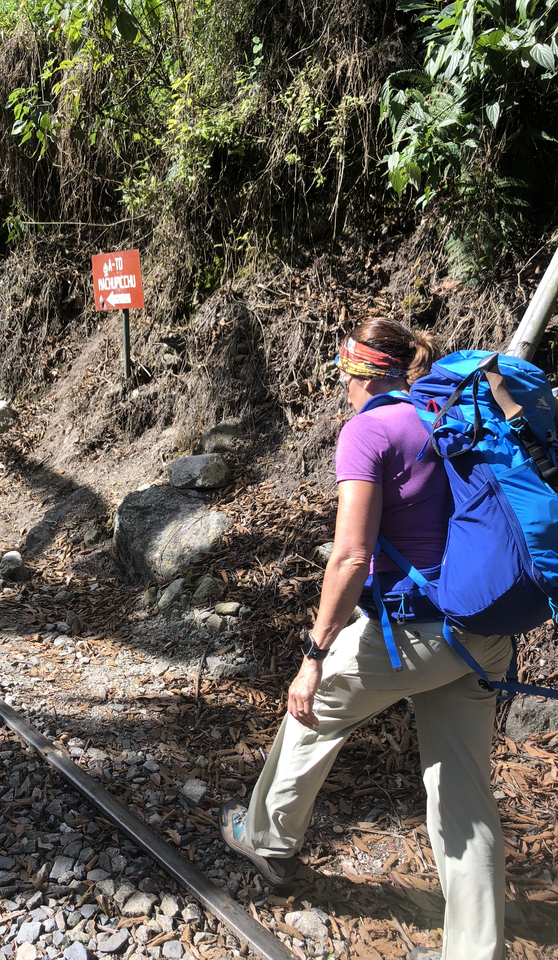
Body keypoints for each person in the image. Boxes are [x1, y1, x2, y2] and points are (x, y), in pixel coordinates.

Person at [218, 319, 511, 960]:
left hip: (414, 635)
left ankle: (265, 840)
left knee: (310, 710)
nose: (341, 386)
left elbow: (350, 556)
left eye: (342, 373)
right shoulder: (445, 412)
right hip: (484, 630)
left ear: (359, 372)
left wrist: (314, 655)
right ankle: (476, 949)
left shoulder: (368, 431)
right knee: (463, 794)